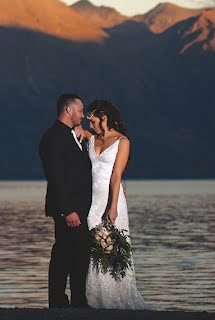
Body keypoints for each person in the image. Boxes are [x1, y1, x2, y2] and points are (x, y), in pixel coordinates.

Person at [78, 99, 147, 309]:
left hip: (111, 200)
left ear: (104, 118)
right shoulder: (93, 139)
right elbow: (80, 130)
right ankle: (98, 299)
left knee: (113, 247)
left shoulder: (122, 141)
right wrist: (83, 127)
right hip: (93, 201)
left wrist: (113, 206)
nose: (91, 126)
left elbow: (116, 175)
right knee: (96, 248)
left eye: (94, 121)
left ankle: (118, 297)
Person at [38, 93, 92, 308]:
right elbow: (56, 176)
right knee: (73, 253)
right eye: (80, 111)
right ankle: (71, 301)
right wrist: (68, 210)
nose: (83, 115)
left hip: (78, 206)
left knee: (67, 252)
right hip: (69, 208)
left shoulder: (71, 134)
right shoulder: (53, 137)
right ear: (68, 110)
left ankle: (64, 300)